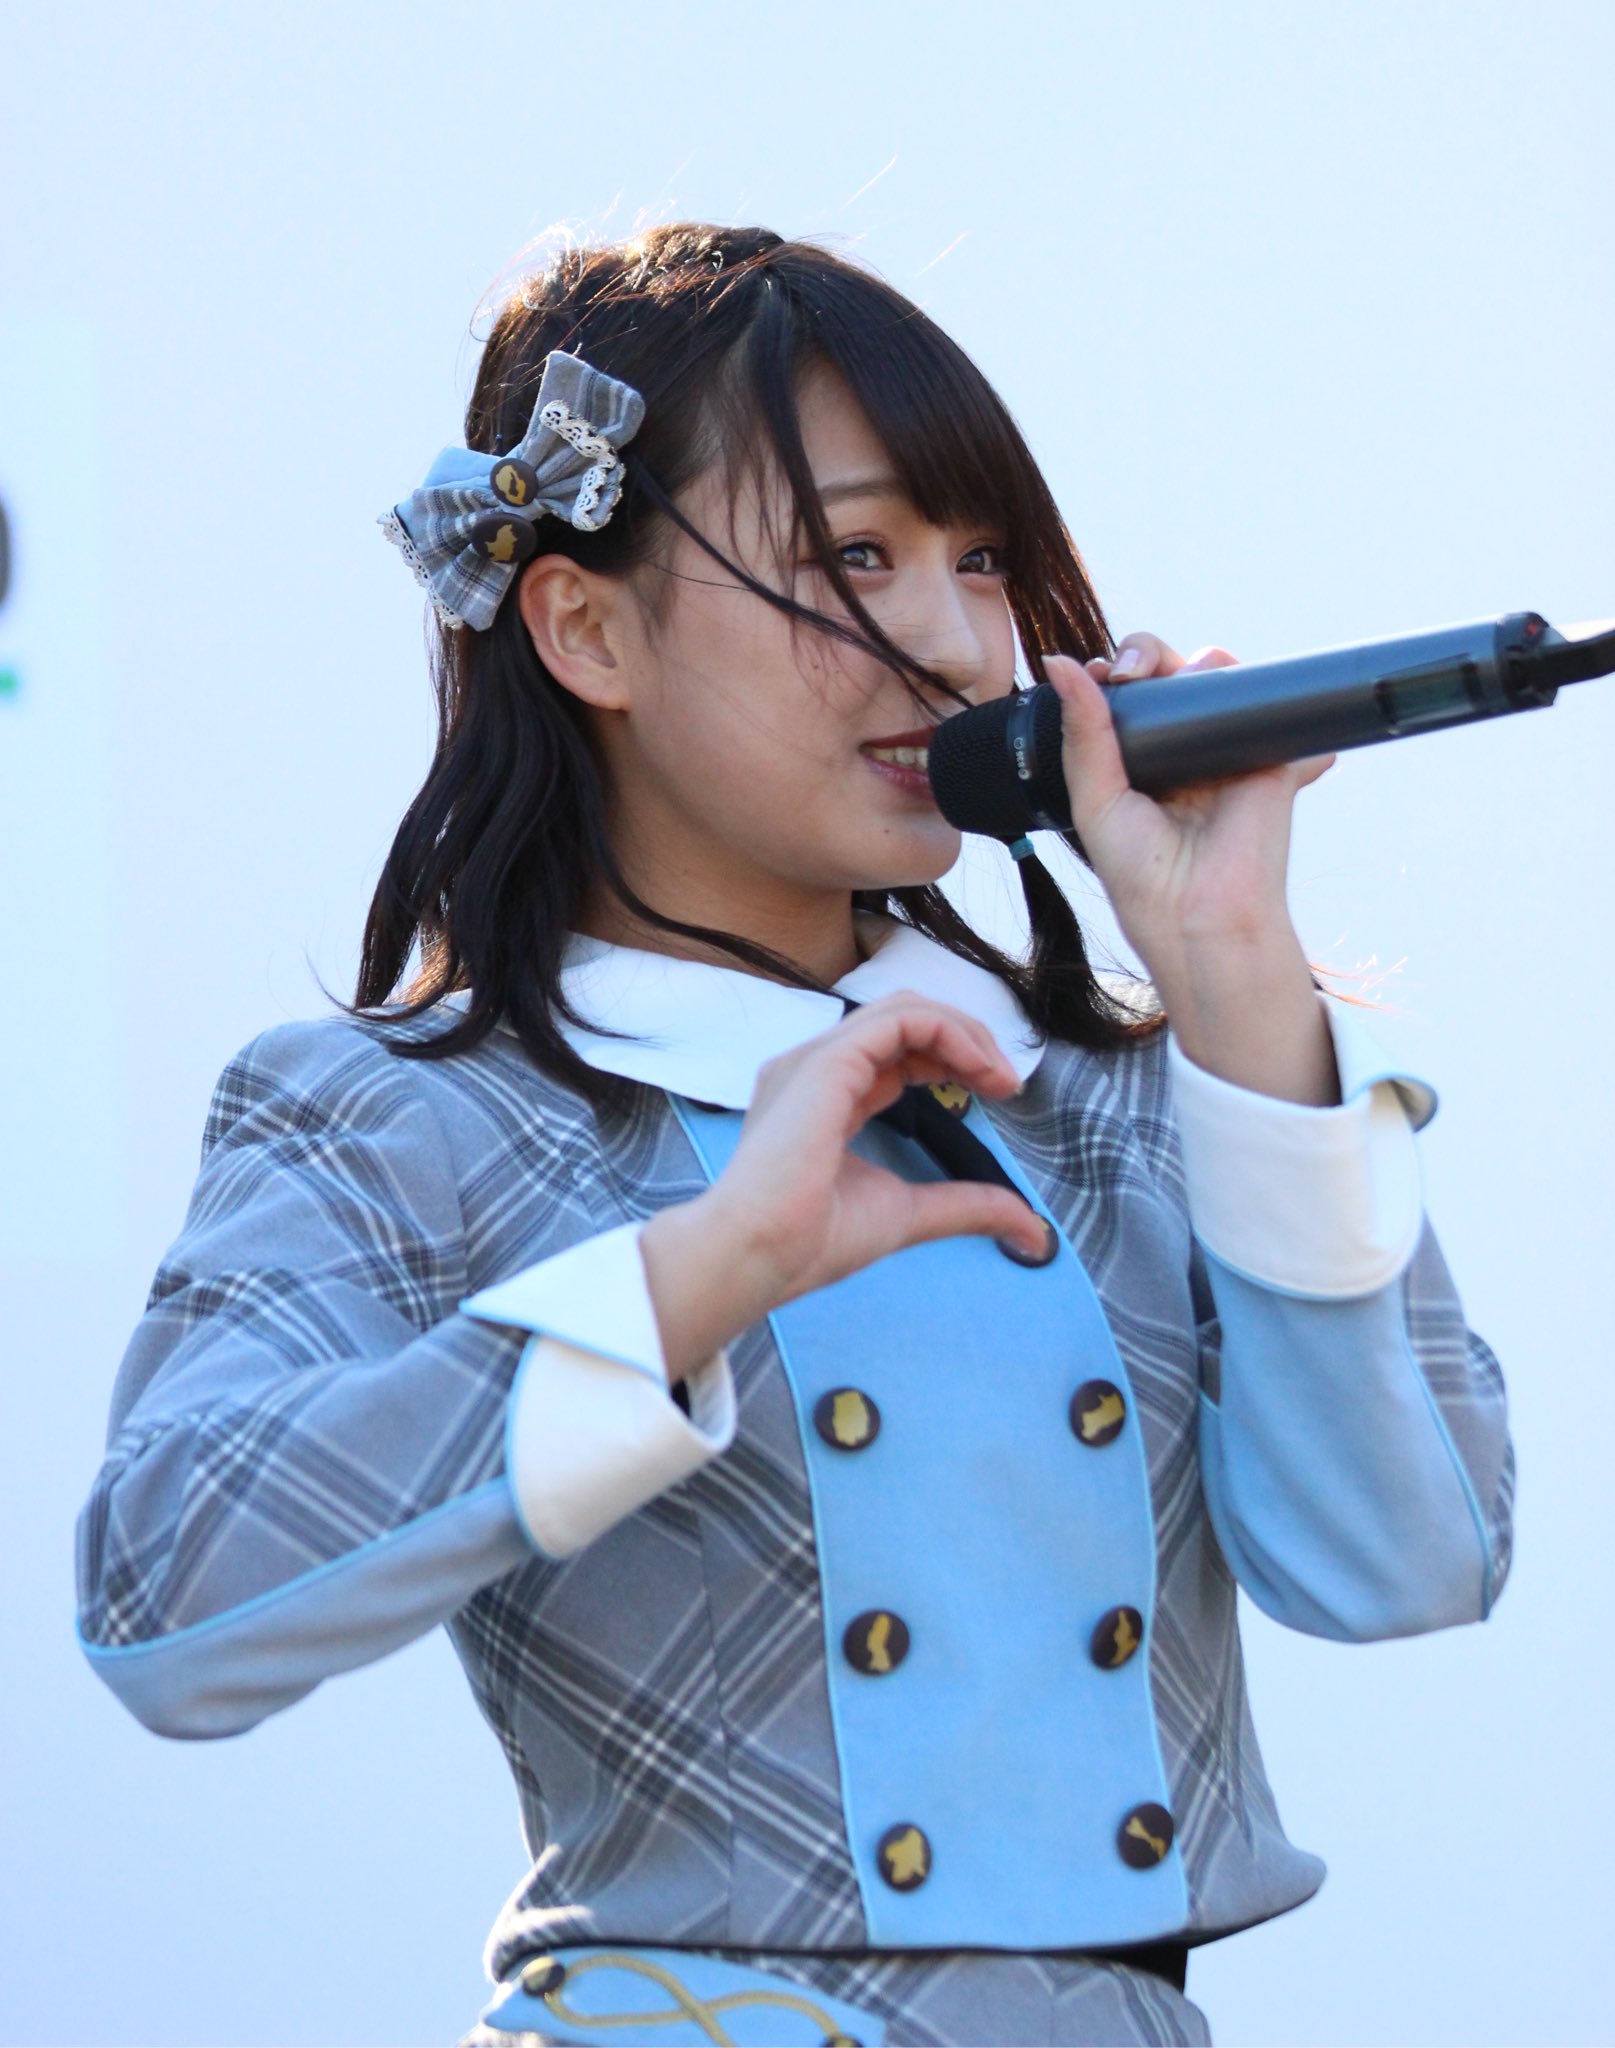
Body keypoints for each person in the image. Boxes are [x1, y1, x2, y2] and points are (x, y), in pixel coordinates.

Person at [74, 224, 1514, 2048]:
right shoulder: (407, 1110)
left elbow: (1412, 1564)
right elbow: (166, 1595)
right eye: (854, 557)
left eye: (978, 560)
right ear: (585, 626)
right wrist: (705, 1272)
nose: (953, 644)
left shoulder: (1127, 1086)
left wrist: (1237, 982)